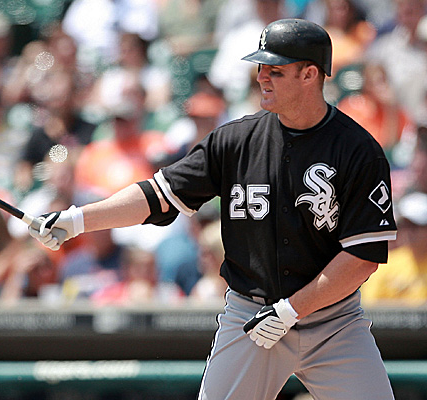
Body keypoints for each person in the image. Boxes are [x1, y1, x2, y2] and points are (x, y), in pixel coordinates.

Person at [30, 19, 398, 399]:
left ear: (309, 74)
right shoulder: (235, 140)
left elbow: (361, 256)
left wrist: (293, 309)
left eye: (275, 70)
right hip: (251, 316)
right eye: (260, 68)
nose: (261, 78)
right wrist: (77, 220)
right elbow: (158, 194)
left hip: (333, 322)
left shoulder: (358, 150)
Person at [360, 192, 427, 306]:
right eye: (404, 225)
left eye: (415, 226)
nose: (409, 232)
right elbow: (371, 310)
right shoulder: (385, 266)